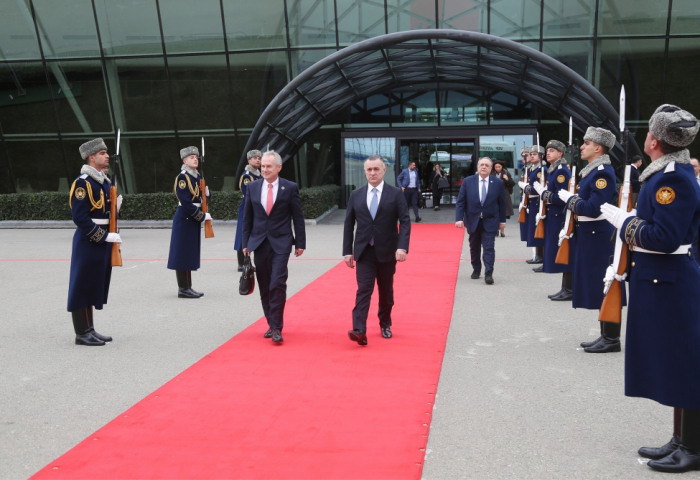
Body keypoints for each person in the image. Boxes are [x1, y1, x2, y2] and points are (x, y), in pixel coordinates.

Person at [600, 104, 700, 473]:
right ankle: (681, 438)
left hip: (671, 280)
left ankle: (694, 446)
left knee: (687, 364)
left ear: (654, 140)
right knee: (675, 362)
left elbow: (664, 236)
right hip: (662, 279)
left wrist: (626, 223)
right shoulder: (666, 173)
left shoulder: (672, 179)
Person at [558, 127, 624, 353]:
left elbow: (594, 209)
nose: (582, 147)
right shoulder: (592, 171)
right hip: (590, 235)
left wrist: (571, 200)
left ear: (598, 147)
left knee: (606, 285)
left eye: (586, 143)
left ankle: (612, 338)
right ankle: (605, 334)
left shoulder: (602, 172)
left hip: (598, 236)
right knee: (599, 285)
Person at [343, 155, 410, 346]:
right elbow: (349, 224)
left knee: (386, 291)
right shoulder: (356, 194)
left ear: (384, 171)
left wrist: (402, 247)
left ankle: (385, 323)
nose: (372, 173)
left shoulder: (396, 193)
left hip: (388, 251)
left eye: (376, 169)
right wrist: (347, 251)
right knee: (364, 290)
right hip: (364, 251)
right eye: (369, 169)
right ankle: (359, 329)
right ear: (365, 171)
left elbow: (405, 222)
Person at [242, 150, 306, 344]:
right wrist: (245, 244)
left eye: (269, 166)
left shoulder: (290, 187)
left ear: (279, 167)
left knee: (277, 282)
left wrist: (300, 243)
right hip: (259, 242)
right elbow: (247, 218)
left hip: (281, 242)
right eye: (263, 166)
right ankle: (271, 323)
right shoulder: (252, 187)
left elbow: (298, 217)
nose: (265, 169)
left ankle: (277, 327)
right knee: (264, 285)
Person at [67, 138, 122, 346]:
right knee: (82, 285)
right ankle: (81, 333)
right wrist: (102, 235)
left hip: (101, 239)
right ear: (91, 157)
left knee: (92, 284)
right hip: (89, 239)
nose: (107, 156)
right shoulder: (83, 182)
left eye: (107, 152)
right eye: (102, 153)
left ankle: (90, 328)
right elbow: (80, 217)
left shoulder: (103, 181)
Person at [167, 146, 212, 299]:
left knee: (189, 253)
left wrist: (207, 193)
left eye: (196, 157)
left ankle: (188, 287)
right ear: (185, 160)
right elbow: (186, 201)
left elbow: (201, 198)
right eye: (192, 157)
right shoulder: (183, 177)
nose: (195, 159)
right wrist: (200, 215)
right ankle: (183, 289)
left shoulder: (196, 177)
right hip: (185, 218)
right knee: (182, 253)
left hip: (192, 218)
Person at [532, 140, 573, 301]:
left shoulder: (561, 171)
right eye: (547, 150)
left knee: (563, 251)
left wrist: (545, 194)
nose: (548, 153)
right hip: (552, 215)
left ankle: (568, 288)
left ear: (560, 153)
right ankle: (565, 287)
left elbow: (563, 197)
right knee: (556, 251)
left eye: (552, 150)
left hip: (559, 216)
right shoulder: (553, 169)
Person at [455, 157, 506, 285]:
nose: (484, 167)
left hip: (491, 220)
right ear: (478, 167)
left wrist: (502, 221)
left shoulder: (498, 183)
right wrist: (458, 219)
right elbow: (461, 202)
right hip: (473, 220)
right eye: (481, 165)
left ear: (491, 168)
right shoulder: (468, 181)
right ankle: (476, 269)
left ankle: (489, 273)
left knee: (489, 247)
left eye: (487, 165)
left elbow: (502, 203)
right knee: (474, 246)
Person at [234, 150, 262, 272]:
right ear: (249, 161)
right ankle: (242, 263)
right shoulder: (247, 175)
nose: (257, 160)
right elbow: (248, 193)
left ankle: (250, 261)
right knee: (243, 234)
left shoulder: (258, 175)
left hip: (256, 207)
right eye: (254, 158)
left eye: (259, 158)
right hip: (247, 207)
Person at [519, 146, 546, 267]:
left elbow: (538, 188)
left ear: (541, 156)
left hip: (537, 202)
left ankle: (540, 256)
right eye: (531, 154)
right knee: (533, 229)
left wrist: (526, 187)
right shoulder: (532, 168)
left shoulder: (541, 169)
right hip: (532, 202)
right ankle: (538, 255)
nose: (532, 156)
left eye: (535, 154)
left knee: (537, 229)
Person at [492, 160, 514, 232]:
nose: (498, 168)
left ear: (502, 167)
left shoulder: (506, 173)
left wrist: (507, 179)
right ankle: (496, 230)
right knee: (495, 212)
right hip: (494, 194)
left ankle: (502, 231)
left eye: (499, 167)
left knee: (503, 212)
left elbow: (512, 184)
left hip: (504, 194)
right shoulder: (491, 174)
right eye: (496, 167)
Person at [517, 147, 530, 244]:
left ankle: (538, 255)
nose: (523, 158)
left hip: (531, 202)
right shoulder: (525, 168)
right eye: (522, 156)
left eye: (526, 155)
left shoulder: (534, 169)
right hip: (525, 200)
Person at [690, 157, 700, 265]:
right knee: (694, 242)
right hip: (693, 218)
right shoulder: (685, 181)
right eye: (690, 166)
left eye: (695, 166)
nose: (692, 168)